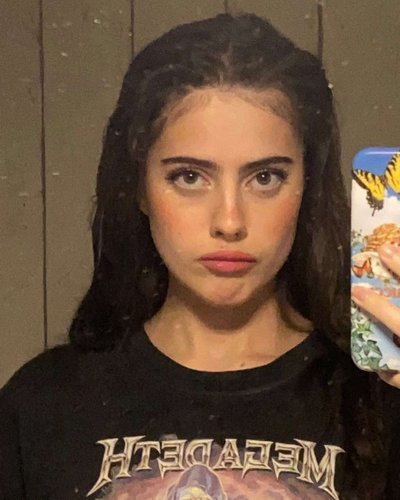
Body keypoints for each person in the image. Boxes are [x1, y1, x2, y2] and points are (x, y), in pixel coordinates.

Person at [0, 12, 399, 500]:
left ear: (307, 186)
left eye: (265, 177)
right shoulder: (44, 406)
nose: (229, 221)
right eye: (189, 177)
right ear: (140, 187)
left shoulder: (381, 397)